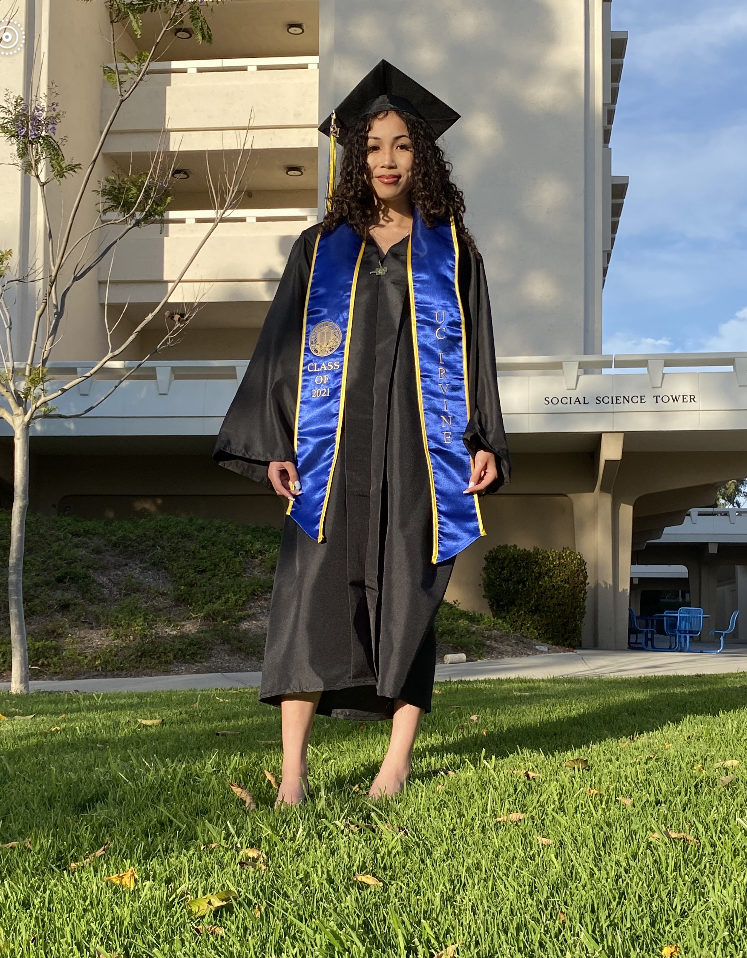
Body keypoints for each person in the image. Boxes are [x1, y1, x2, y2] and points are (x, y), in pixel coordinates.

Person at [214, 60, 510, 805]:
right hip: (332, 450)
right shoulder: (320, 250)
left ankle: (395, 764)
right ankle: (292, 776)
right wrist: (277, 445)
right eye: (373, 145)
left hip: (419, 450)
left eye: (402, 145)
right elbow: (281, 348)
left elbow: (478, 357)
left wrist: (483, 442)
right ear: (355, 155)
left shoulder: (453, 253)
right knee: (310, 595)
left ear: (424, 156)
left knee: (410, 592)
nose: (386, 160)